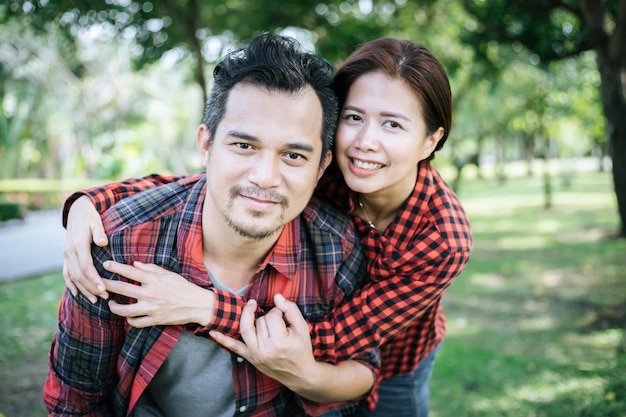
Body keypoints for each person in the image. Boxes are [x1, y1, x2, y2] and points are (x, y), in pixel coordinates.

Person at [62, 38, 473, 417]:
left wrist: (205, 306)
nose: (365, 141)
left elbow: (333, 341)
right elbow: (205, 183)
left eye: (393, 124)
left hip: (392, 361)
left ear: (430, 141)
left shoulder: (441, 238)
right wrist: (90, 201)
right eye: (354, 117)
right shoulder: (327, 170)